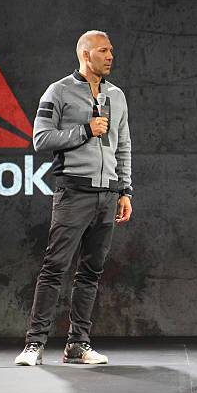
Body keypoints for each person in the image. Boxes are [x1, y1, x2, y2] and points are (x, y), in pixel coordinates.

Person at [15, 30, 133, 366]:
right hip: (73, 191)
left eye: (111, 50)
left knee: (91, 271)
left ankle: (78, 345)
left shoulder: (118, 96)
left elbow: (123, 145)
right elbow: (41, 138)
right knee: (55, 268)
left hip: (107, 194)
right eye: (103, 50)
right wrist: (85, 130)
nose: (110, 56)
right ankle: (34, 344)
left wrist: (124, 190)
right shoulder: (59, 91)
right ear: (85, 54)